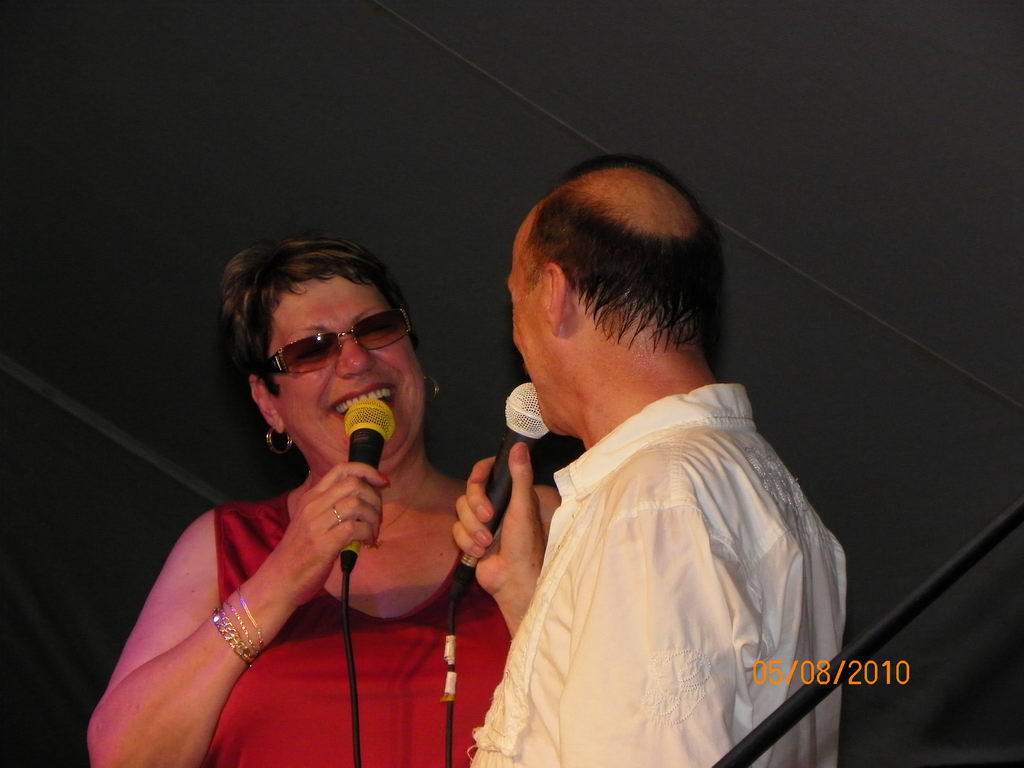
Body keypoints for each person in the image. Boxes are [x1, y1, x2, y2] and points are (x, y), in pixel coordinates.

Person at [453, 155, 847, 767]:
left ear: (554, 294)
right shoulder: (749, 483)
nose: (516, 336)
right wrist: (528, 597)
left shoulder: (654, 503)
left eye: (515, 300)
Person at [88, 233, 525, 767]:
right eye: (311, 349)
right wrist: (282, 577)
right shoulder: (227, 544)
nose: (355, 360)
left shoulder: (524, 519)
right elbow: (123, 757)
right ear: (268, 403)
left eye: (375, 328)